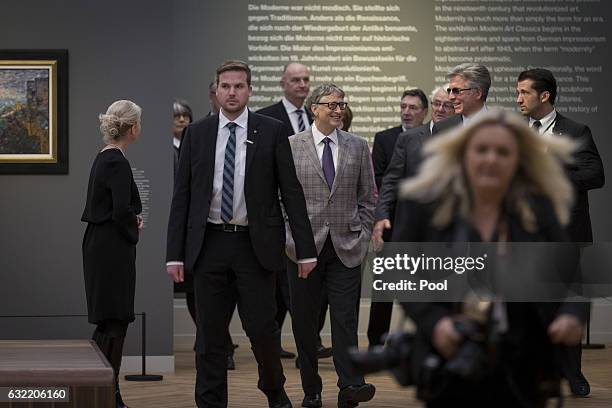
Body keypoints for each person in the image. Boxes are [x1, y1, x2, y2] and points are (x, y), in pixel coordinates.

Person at [393, 109, 587, 407]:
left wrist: (572, 315)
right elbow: (398, 271)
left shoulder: (537, 208)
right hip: (451, 352)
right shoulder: (426, 205)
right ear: (463, 154)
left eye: (503, 152)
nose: (491, 159)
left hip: (523, 356)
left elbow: (570, 275)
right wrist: (434, 322)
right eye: (481, 149)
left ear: (518, 161)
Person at [166, 60, 317, 408]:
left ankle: (274, 392)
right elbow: (182, 199)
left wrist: (306, 250)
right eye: (225, 86)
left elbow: (291, 192)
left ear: (249, 90)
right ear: (216, 91)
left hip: (255, 247)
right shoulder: (197, 133)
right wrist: (175, 254)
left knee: (263, 331)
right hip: (209, 245)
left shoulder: (272, 129)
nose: (231, 92)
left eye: (239, 86)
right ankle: (210, 402)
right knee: (209, 338)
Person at [286, 84, 377, 408]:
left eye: (342, 104)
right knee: (305, 323)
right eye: (332, 105)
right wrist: (289, 239)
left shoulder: (356, 145)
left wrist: (363, 234)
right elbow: (281, 200)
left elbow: (368, 197)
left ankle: (350, 385)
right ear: (315, 109)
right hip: (302, 249)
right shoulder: (292, 146)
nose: (339, 110)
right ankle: (311, 389)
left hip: (346, 246)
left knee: (345, 319)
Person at [516, 68, 605, 396]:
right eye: (517, 92)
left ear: (545, 95)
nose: (518, 99)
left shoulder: (575, 130)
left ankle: (572, 376)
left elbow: (595, 175)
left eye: (524, 92)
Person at [368, 86, 454, 347]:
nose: (440, 109)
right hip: (400, 224)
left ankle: (429, 341)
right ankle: (376, 343)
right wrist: (380, 216)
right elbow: (388, 180)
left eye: (445, 105)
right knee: (385, 287)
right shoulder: (407, 139)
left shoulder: (462, 139)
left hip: (442, 231)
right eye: (437, 104)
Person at [82, 100, 143, 408]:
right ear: (133, 128)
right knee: (116, 320)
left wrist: (131, 217)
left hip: (100, 244)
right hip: (111, 247)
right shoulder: (117, 160)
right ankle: (108, 393)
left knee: (109, 320)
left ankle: (99, 389)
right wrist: (135, 224)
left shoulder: (104, 156)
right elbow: (121, 210)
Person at [257, 62, 314, 359]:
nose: (302, 84)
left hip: (311, 211)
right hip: (276, 210)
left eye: (306, 79)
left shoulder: (315, 116)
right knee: (279, 281)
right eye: (296, 79)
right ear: (283, 83)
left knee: (299, 279)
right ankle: (289, 341)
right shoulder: (267, 117)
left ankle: (307, 340)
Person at [434, 63, 491, 134]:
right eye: (449, 91)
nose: (451, 97)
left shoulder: (501, 127)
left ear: (477, 93)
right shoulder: (441, 128)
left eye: (457, 91)